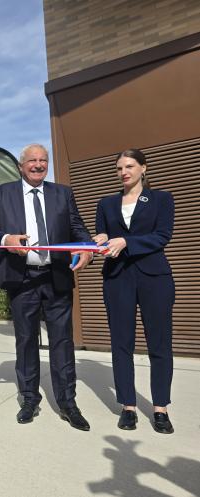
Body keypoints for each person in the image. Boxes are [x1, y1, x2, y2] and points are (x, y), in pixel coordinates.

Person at [0, 143, 92, 431]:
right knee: (26, 341)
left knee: (62, 342)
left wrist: (86, 247)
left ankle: (68, 402)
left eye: (42, 160)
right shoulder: (2, 193)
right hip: (22, 279)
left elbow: (78, 227)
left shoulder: (62, 193)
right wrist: (7, 239)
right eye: (32, 160)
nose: (37, 165)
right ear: (21, 166)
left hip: (56, 276)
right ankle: (29, 399)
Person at [93, 148, 175, 434]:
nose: (124, 172)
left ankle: (160, 408)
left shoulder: (161, 199)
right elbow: (103, 236)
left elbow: (162, 236)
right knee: (121, 343)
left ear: (143, 168)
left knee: (160, 344)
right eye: (119, 168)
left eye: (129, 166)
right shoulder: (105, 203)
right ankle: (128, 406)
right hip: (118, 278)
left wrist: (126, 242)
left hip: (155, 278)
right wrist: (101, 238)